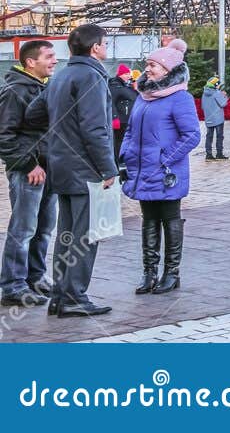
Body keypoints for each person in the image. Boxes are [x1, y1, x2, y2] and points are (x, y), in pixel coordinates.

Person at [39, 24, 119, 318]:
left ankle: (61, 295)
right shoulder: (91, 76)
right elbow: (95, 128)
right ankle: (74, 296)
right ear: (95, 47)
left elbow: (35, 112)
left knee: (67, 235)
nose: (106, 49)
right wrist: (108, 168)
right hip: (86, 169)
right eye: (105, 44)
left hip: (63, 166)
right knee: (85, 236)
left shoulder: (61, 76)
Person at [121, 39, 200, 295]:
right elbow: (131, 129)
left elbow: (191, 135)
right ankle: (149, 273)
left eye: (153, 65)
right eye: (148, 64)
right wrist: (126, 152)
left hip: (167, 173)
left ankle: (171, 273)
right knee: (148, 220)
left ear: (168, 70)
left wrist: (166, 158)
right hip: (142, 169)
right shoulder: (143, 97)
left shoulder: (180, 98)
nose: (148, 69)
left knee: (170, 219)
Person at [0, 39, 57, 306]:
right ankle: (12, 285)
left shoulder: (42, 86)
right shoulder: (15, 90)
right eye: (49, 56)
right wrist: (27, 164)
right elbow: (4, 135)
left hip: (47, 168)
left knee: (44, 228)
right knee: (23, 229)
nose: (54, 60)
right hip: (29, 171)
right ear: (31, 62)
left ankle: (35, 276)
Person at [108, 63, 137, 162]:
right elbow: (111, 102)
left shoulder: (125, 86)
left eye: (129, 74)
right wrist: (114, 117)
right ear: (121, 75)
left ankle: (122, 160)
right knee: (119, 142)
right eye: (126, 74)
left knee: (124, 142)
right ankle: (118, 161)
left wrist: (135, 88)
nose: (129, 76)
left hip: (126, 119)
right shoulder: (115, 86)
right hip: (121, 120)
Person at [201, 76, 227, 161]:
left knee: (209, 136)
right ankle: (219, 154)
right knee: (219, 136)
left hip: (208, 118)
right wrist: (224, 96)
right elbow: (223, 104)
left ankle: (209, 154)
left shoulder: (204, 93)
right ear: (215, 85)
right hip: (218, 119)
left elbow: (202, 106)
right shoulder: (217, 93)